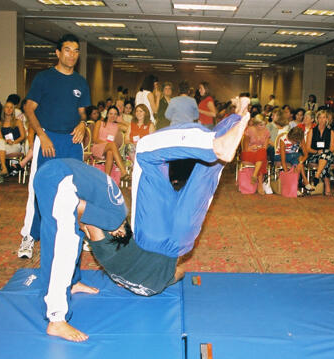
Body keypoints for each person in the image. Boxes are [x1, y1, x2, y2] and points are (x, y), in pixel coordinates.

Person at [35, 113, 248, 342]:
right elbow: (84, 219)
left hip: (176, 244)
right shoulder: (113, 220)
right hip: (149, 233)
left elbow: (179, 272)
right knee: (147, 150)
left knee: (206, 172)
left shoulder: (115, 234)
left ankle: (230, 126)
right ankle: (225, 129)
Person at [17, 33, 91, 259]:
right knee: (39, 189)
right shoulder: (44, 78)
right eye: (67, 50)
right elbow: (29, 108)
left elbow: (82, 112)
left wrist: (83, 124)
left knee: (75, 189)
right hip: (48, 139)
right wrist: (42, 135)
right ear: (58, 53)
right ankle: (29, 236)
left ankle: (78, 231)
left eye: (76, 51)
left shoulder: (80, 82)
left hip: (72, 143)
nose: (72, 55)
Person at [0, 101, 26, 185]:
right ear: (4, 110)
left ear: (13, 110)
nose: (9, 109)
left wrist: (13, 142)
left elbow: (23, 136)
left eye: (11, 107)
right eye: (7, 107)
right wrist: (6, 141)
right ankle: (3, 168)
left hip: (16, 145)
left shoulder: (18, 121)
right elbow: (1, 138)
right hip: (4, 145)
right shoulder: (0, 124)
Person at [91, 106, 128, 180]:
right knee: (112, 145)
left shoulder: (117, 125)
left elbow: (130, 127)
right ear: (107, 114)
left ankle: (106, 178)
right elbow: (94, 139)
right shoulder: (100, 123)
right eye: (111, 114)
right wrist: (107, 144)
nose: (113, 116)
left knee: (110, 152)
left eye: (115, 114)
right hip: (98, 147)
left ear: (117, 116)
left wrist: (122, 121)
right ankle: (123, 171)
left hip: (110, 149)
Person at [305, 109, 334, 195]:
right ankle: (327, 185)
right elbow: (308, 148)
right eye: (320, 117)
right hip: (314, 156)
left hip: (329, 156)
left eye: (324, 117)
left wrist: (323, 152)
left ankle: (317, 175)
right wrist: (317, 151)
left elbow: (332, 149)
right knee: (324, 158)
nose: (322, 120)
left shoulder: (331, 132)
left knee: (325, 154)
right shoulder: (312, 131)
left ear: (327, 119)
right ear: (317, 119)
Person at [275, 126, 314, 193]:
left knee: (298, 160)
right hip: (280, 156)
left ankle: (296, 187)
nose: (294, 143)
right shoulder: (283, 140)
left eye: (296, 142)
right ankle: (305, 182)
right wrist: (286, 173)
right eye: (293, 141)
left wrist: (300, 163)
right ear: (290, 137)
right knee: (297, 156)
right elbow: (283, 160)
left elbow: (306, 155)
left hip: (294, 156)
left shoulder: (300, 139)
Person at [240, 114, 269, 194]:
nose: (263, 127)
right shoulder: (249, 130)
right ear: (256, 124)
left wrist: (258, 148)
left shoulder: (266, 131)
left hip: (259, 154)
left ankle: (255, 174)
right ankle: (260, 184)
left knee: (262, 152)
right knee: (262, 158)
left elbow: (265, 147)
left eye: (264, 124)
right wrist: (252, 148)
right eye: (260, 125)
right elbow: (245, 148)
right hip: (248, 153)